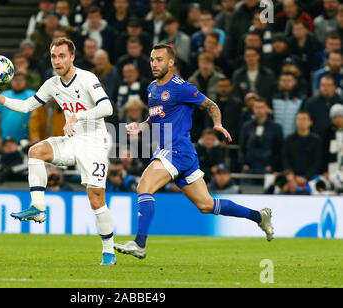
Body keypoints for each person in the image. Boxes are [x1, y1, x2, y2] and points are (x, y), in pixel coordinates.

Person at [113, 44, 274, 260]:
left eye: (159, 59)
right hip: (183, 154)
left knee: (144, 186)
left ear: (171, 62)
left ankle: (140, 244)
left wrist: (217, 124)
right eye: (152, 59)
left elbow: (211, 105)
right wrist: (141, 126)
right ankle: (259, 216)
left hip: (176, 149)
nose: (154, 63)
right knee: (207, 205)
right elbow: (157, 116)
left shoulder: (182, 87)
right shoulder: (152, 88)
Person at [0, 38, 116, 266]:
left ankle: (109, 251)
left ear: (72, 57)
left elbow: (107, 108)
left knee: (96, 199)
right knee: (36, 151)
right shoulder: (52, 84)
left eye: (62, 56)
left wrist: (77, 116)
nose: (57, 61)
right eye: (54, 56)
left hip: (95, 142)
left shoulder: (87, 78)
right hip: (72, 139)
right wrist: (0, 98)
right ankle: (38, 208)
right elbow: (26, 106)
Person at [0, 71, 35, 152]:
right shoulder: (3, 95)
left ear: (25, 81)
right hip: (6, 141)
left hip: (28, 141)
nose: (18, 82)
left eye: (21, 80)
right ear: (11, 81)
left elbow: (39, 117)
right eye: (15, 80)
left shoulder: (33, 95)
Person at [239, 97, 284, 175]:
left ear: (267, 108)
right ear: (253, 109)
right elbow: (242, 147)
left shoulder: (276, 127)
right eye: (256, 107)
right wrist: (243, 164)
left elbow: (279, 149)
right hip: (249, 167)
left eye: (262, 107)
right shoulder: (246, 126)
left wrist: (273, 165)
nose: (259, 110)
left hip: (269, 168)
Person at [283, 111, 323, 185]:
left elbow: (317, 161)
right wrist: (292, 175)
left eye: (304, 119)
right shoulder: (289, 139)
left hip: (312, 178)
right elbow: (285, 159)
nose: (301, 122)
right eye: (299, 119)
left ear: (310, 122)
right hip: (292, 178)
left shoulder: (316, 140)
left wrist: (306, 178)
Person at [272, 72, 306, 139]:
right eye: (284, 81)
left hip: (294, 138)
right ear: (279, 82)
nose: (286, 83)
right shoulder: (273, 99)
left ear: (295, 82)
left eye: (289, 81)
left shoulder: (302, 99)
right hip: (276, 138)